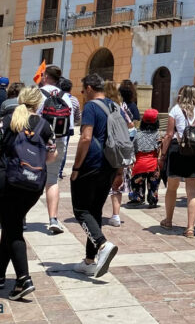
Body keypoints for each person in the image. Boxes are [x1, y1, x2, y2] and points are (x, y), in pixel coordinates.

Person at [0, 85, 57, 301]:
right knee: (11, 225)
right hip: (33, 184)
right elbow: (52, 155)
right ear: (38, 104)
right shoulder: (45, 125)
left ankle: (23, 280)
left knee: (12, 230)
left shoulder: (8, 120)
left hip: (8, 181)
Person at [69, 73, 119, 278]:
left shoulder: (90, 107)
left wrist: (76, 167)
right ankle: (90, 261)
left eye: (82, 90)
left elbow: (86, 137)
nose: (82, 94)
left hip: (91, 164)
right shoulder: (115, 106)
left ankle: (102, 245)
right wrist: (121, 170)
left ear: (89, 88)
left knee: (80, 210)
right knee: (95, 210)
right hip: (111, 164)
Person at [159, 85, 195, 236]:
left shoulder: (175, 110)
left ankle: (168, 221)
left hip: (177, 150)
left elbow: (168, 134)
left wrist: (162, 155)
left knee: (172, 187)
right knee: (192, 191)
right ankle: (190, 228)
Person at [38, 65, 74, 235]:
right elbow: (70, 127)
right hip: (58, 142)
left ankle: (21, 218)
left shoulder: (37, 94)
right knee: (52, 180)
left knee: (30, 177)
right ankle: (53, 219)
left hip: (36, 141)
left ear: (45, 76)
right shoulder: (66, 98)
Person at [104, 80, 135, 227]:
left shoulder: (102, 106)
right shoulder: (122, 107)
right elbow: (131, 124)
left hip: (106, 147)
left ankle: (95, 211)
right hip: (121, 148)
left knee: (102, 180)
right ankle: (116, 215)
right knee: (118, 181)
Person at [129, 108, 163, 207]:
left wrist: (131, 162)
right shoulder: (158, 134)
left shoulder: (137, 133)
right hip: (153, 164)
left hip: (140, 164)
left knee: (137, 183)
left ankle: (138, 197)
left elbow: (133, 149)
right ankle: (152, 199)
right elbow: (159, 149)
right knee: (153, 185)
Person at [58, 76, 81, 180]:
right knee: (64, 149)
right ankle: (59, 171)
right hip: (67, 128)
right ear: (70, 88)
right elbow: (77, 117)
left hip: (53, 126)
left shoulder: (55, 97)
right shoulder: (74, 100)